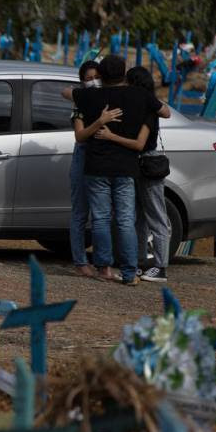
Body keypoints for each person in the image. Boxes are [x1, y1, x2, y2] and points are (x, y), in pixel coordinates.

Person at [72, 55, 170, 285]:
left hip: (96, 168)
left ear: (102, 76)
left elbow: (67, 93)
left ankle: (104, 267)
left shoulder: (88, 96)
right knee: (126, 220)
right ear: (123, 75)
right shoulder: (140, 96)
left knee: (101, 219)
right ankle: (129, 272)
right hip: (126, 168)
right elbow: (165, 112)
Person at [61, 61, 111, 277]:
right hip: (84, 156)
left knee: (102, 215)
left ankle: (103, 264)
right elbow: (80, 135)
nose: (94, 82)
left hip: (105, 158)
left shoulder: (111, 97)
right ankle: (81, 262)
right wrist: (99, 123)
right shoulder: (81, 103)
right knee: (81, 213)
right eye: (89, 79)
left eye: (96, 77)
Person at [126, 66, 171, 282]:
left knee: (156, 217)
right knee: (140, 218)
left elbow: (166, 112)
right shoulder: (143, 104)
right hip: (139, 164)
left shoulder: (148, 106)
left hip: (148, 163)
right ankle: (140, 261)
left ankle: (161, 266)